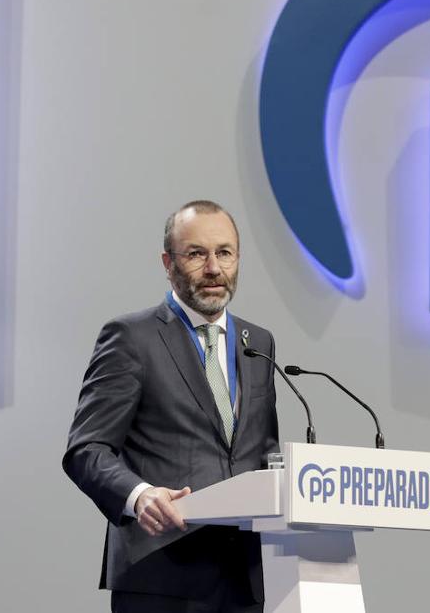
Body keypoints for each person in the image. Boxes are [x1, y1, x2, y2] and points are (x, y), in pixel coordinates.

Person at [64, 200, 279, 612]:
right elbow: (86, 450)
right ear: (168, 262)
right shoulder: (131, 338)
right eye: (197, 254)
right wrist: (139, 495)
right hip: (162, 575)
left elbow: (262, 450)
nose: (214, 268)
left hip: (245, 579)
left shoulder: (259, 343)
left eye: (225, 253)